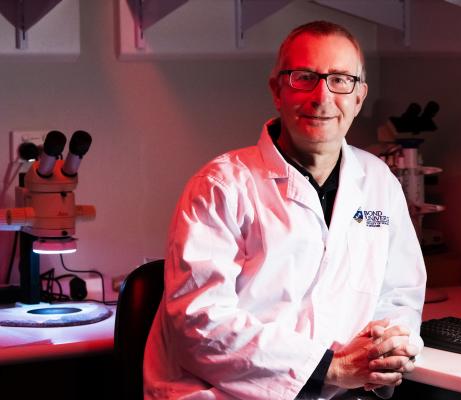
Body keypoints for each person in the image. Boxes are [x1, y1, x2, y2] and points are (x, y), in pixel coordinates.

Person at [143, 20, 427, 400]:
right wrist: (333, 369)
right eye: (304, 78)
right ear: (277, 90)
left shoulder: (379, 183)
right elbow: (200, 326)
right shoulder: (220, 187)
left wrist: (389, 351)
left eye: (340, 80)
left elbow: (400, 294)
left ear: (359, 97)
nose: (322, 97)